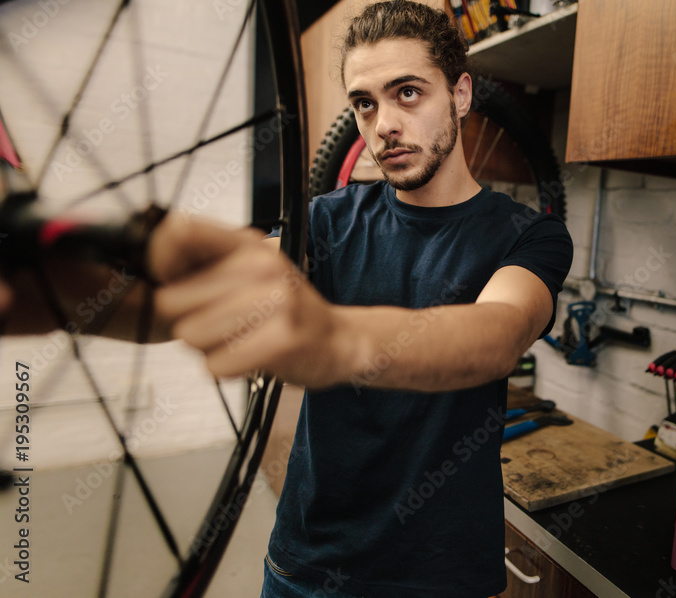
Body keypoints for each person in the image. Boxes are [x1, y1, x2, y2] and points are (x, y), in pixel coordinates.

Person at [0, 1, 571, 596]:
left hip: (443, 574)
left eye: (408, 93)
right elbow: (202, 294)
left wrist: (333, 338)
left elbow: (500, 334)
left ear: (459, 94)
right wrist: (65, 295)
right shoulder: (325, 222)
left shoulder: (528, 234)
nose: (383, 125)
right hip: (307, 565)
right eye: (364, 103)